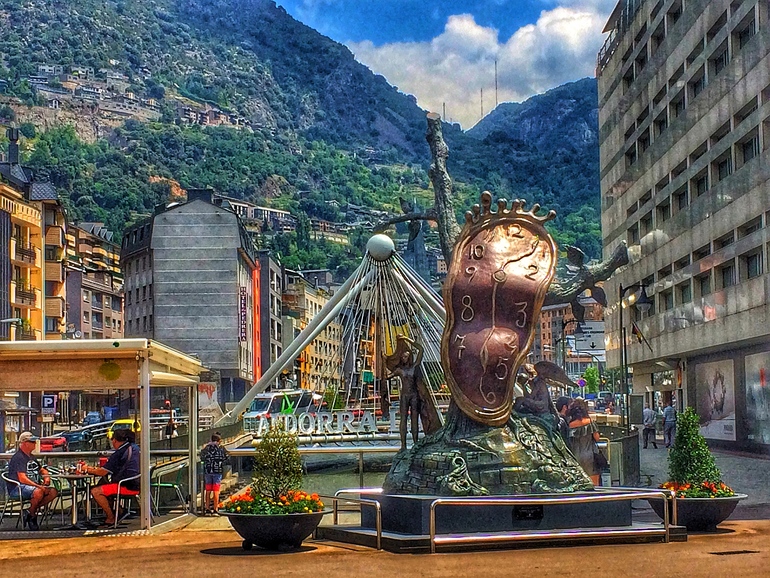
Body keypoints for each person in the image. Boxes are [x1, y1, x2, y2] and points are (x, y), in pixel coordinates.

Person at [385, 336, 441, 449]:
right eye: (403, 357)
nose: (404, 358)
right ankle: (403, 446)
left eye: (406, 356)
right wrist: (384, 360)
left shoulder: (414, 367)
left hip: (414, 396)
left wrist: (406, 338)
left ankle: (415, 444)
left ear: (410, 357)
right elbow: (387, 376)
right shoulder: (399, 370)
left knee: (414, 419)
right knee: (403, 419)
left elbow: (421, 349)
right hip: (404, 396)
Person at [85, 428, 140, 526]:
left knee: (96, 491)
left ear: (114, 440)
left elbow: (102, 472)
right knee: (104, 484)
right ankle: (119, 511)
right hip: (138, 483)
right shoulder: (135, 447)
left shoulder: (119, 453)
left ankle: (111, 518)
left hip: (126, 486)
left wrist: (87, 469)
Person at [5, 432, 58, 531]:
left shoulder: (31, 457)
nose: (35, 443)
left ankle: (29, 511)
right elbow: (22, 478)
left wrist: (46, 478)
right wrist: (39, 486)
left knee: (53, 492)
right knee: (38, 492)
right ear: (25, 443)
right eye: (32, 441)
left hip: (33, 486)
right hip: (18, 488)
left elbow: (42, 470)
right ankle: (32, 516)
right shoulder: (19, 457)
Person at [567, 398, 602, 485]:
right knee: (593, 482)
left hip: (575, 456)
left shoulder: (570, 425)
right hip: (590, 455)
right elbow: (597, 438)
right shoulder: (589, 422)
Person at [200, 433, 229, 516]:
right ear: (219, 441)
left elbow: (202, 457)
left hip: (208, 471)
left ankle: (207, 508)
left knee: (208, 490)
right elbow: (226, 457)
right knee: (216, 491)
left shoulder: (206, 448)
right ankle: (215, 509)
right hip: (217, 471)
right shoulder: (221, 448)